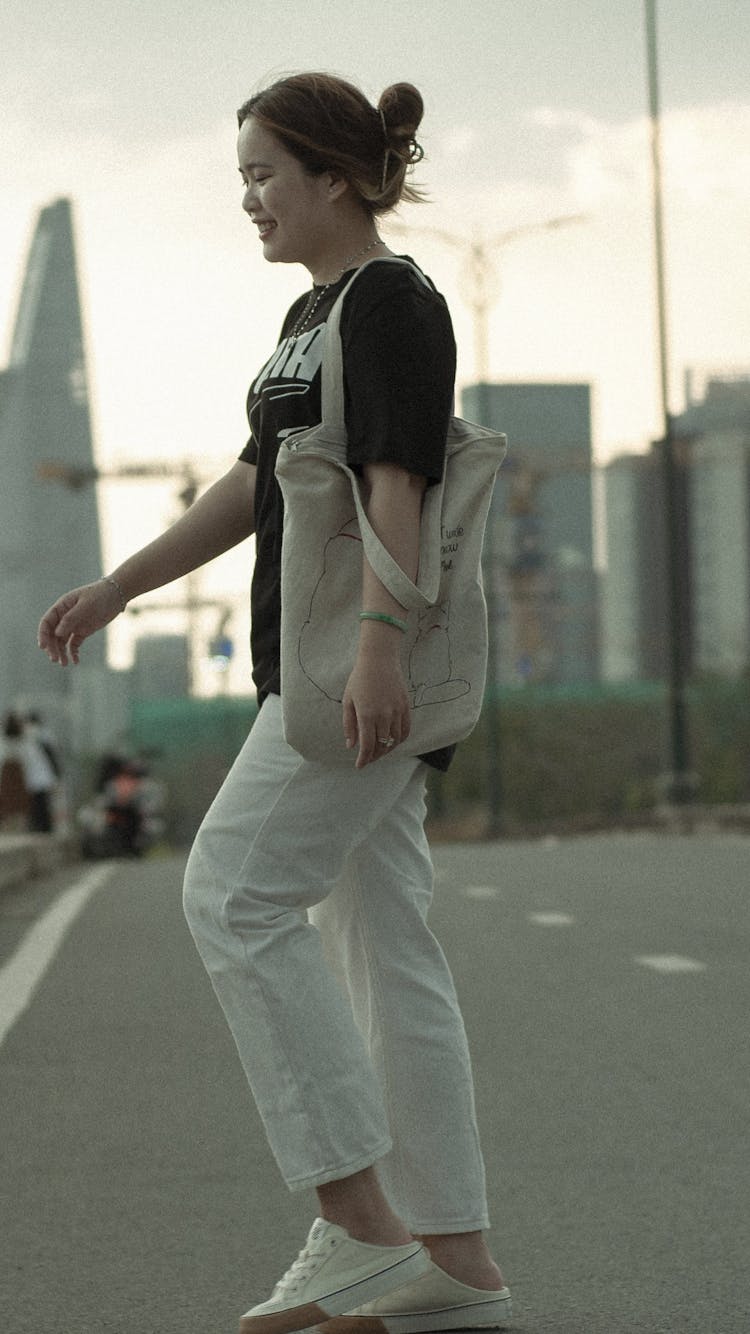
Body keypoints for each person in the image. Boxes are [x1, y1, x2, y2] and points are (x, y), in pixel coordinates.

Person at [37, 73, 511, 1334]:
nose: (247, 199)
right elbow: (255, 483)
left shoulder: (395, 302)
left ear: (336, 178)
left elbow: (399, 482)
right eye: (241, 178)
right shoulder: (316, 312)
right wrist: (121, 584)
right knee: (382, 942)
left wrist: (375, 649)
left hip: (348, 674)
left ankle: (360, 1222)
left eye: (262, 174)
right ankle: (454, 1258)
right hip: (313, 664)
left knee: (232, 891)